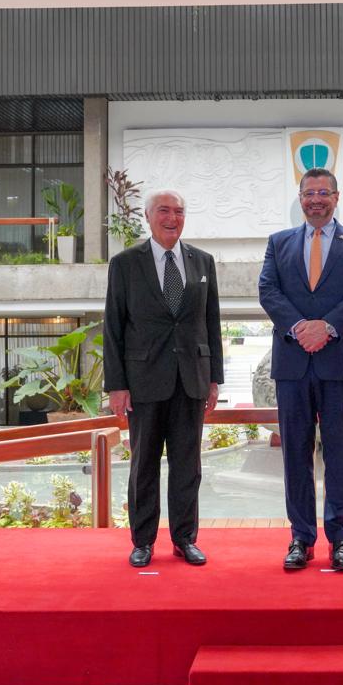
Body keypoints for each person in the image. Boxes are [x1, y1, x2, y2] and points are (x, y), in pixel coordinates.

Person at [259, 168, 343, 572]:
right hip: (292, 364)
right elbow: (267, 291)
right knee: (295, 453)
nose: (316, 199)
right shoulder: (279, 243)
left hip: (337, 361)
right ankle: (300, 537)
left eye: (323, 192)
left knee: (340, 454)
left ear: (336, 197)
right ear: (300, 198)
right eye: (309, 193)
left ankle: (341, 539)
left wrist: (325, 327)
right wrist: (298, 328)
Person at [104, 190, 224, 567]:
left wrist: (214, 378)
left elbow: (212, 324)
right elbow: (114, 327)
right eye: (164, 211)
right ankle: (143, 541)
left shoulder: (202, 261)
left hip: (191, 379)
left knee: (188, 465)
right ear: (148, 216)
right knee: (144, 466)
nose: (172, 217)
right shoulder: (124, 264)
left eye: (179, 211)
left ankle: (185, 539)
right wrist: (117, 385)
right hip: (143, 382)